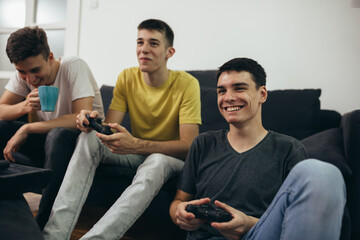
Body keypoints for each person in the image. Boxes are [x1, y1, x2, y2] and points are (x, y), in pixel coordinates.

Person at [42, 19, 201, 240]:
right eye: (140, 42)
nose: (144, 49)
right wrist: (89, 121)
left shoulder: (187, 84)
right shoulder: (127, 77)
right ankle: (53, 235)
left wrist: (136, 144)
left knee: (157, 161)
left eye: (153, 43)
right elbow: (108, 128)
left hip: (170, 158)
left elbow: (188, 146)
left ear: (169, 52)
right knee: (89, 139)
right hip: (136, 153)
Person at [170, 58, 346, 240]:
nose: (228, 98)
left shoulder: (288, 148)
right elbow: (179, 201)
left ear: (262, 94)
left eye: (239, 88)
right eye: (222, 91)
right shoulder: (203, 143)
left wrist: (248, 224)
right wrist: (180, 214)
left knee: (323, 172)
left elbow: (296, 219)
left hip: (258, 234)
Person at [0, 26, 104, 230]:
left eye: (35, 70)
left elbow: (80, 117)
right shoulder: (25, 73)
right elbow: (1, 109)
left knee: (57, 135)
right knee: (2, 127)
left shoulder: (73, 65)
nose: (30, 79)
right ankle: (6, 211)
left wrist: (27, 129)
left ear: (50, 56)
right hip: (50, 142)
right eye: (22, 72)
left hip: (86, 140)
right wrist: (24, 106)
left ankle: (44, 224)